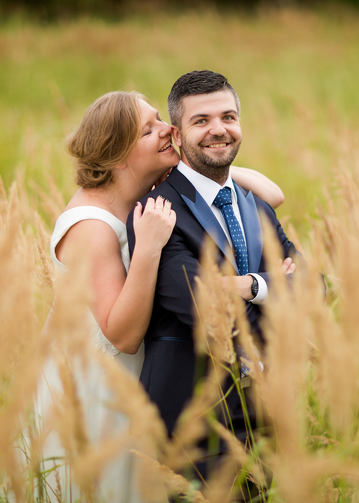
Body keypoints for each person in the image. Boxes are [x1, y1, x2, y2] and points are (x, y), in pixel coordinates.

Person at [35, 90, 288, 501]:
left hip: (149, 379)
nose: (167, 130)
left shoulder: (153, 183)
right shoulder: (90, 226)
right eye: (149, 129)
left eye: (160, 119)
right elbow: (122, 335)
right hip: (101, 389)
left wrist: (205, 170)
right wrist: (149, 249)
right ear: (118, 156)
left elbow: (271, 195)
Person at [126, 70, 299, 482]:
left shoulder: (254, 205)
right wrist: (279, 288)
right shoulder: (158, 212)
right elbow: (203, 304)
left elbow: (314, 285)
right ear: (177, 136)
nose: (218, 130)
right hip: (193, 423)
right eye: (201, 121)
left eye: (228, 117)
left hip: (265, 418)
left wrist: (253, 285)